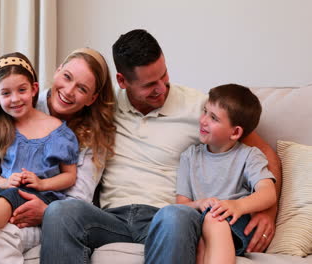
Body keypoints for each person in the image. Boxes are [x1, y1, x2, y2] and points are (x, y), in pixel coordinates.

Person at [39, 29, 281, 264]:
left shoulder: (201, 108)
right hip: (111, 218)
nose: (162, 88)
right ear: (122, 81)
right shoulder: (104, 108)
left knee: (175, 214)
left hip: (166, 218)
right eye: (149, 85)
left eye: (164, 75)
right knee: (61, 211)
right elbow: (55, 107)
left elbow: (264, 152)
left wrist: (267, 212)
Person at [0, 47, 116, 264]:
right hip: (2, 190)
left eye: (82, 88)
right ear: (57, 71)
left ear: (92, 98)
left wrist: (44, 208)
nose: (69, 91)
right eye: (67, 77)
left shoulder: (79, 136)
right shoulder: (12, 112)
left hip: (46, 211)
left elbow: (74, 200)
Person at [176, 84, 277, 264]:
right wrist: (200, 203)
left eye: (213, 118)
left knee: (214, 217)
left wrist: (237, 206)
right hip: (200, 221)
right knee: (200, 237)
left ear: (235, 132)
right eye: (205, 111)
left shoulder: (249, 156)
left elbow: (268, 193)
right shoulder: (189, 157)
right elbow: (181, 205)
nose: (203, 120)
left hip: (235, 224)